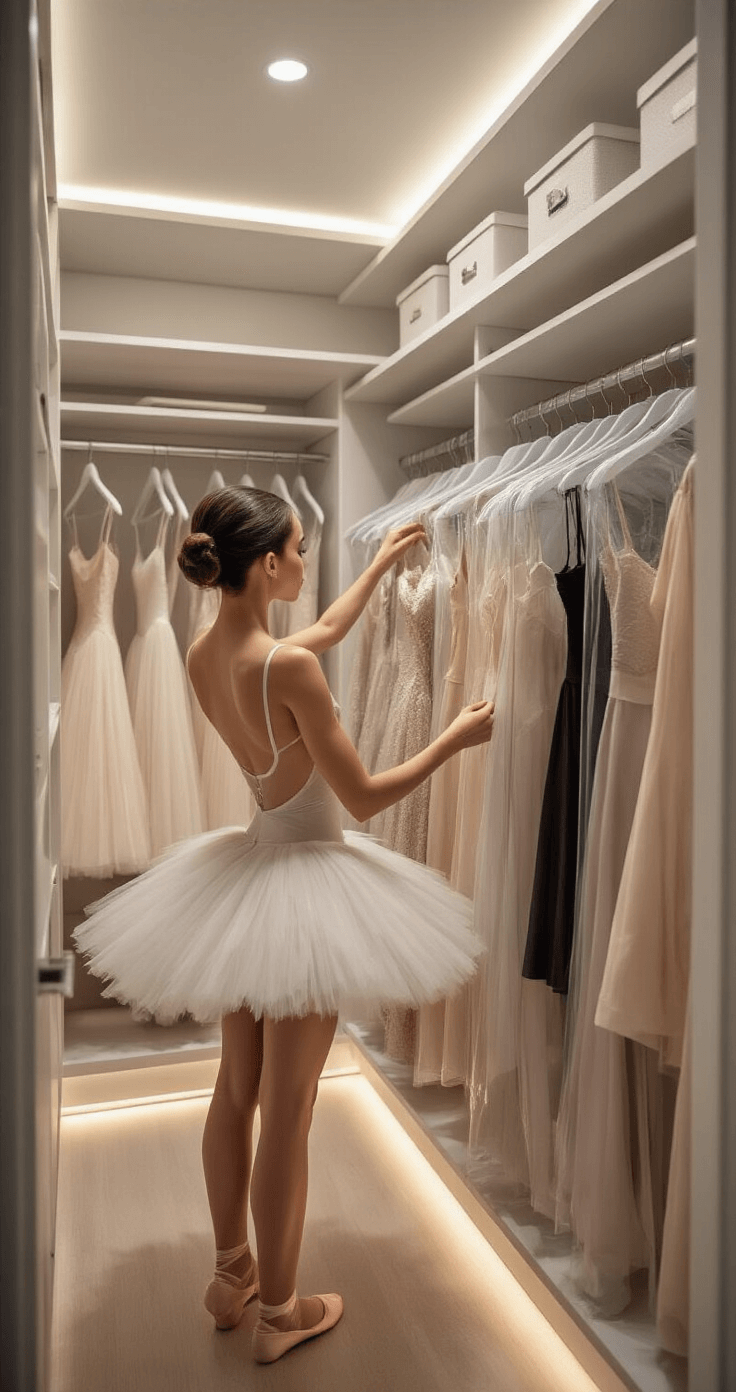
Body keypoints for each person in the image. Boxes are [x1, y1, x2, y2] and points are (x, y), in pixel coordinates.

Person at [75, 485, 494, 1365]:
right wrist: (453, 739)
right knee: (291, 1109)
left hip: (246, 880)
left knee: (236, 1090)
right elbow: (364, 797)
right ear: (267, 564)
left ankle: (230, 1275)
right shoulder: (289, 670)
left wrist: (379, 567)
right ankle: (280, 1312)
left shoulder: (204, 654)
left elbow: (323, 630)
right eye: (300, 550)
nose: (306, 563)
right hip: (306, 886)